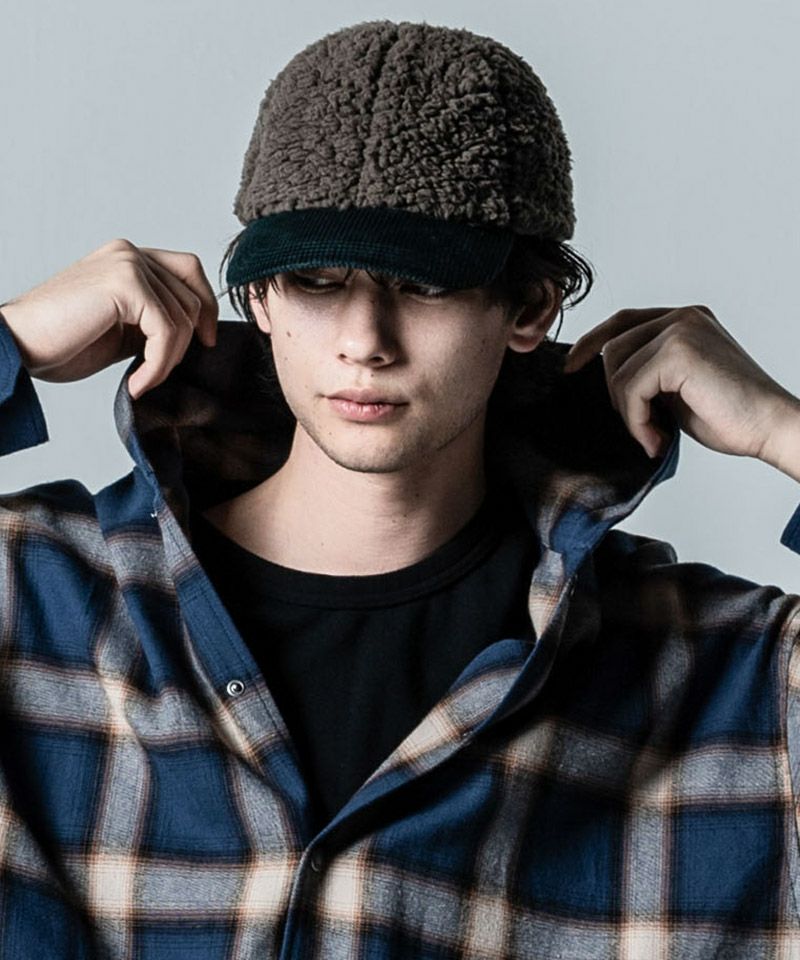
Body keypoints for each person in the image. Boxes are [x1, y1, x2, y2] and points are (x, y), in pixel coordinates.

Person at [1, 17, 800, 960]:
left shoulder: (725, 673)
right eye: (314, 280)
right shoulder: (37, 594)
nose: (365, 342)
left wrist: (782, 429)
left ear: (531, 306)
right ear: (257, 297)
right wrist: (9, 340)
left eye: (424, 287)